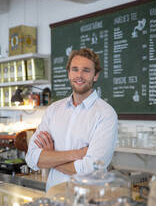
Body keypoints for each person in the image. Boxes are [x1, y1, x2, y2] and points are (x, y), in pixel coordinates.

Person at [25, 48, 118, 192]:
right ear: (69, 74)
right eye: (75, 69)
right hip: (53, 200)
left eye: (86, 70)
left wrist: (51, 157)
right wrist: (76, 154)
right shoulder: (53, 110)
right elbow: (31, 158)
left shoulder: (106, 114)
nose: (79, 75)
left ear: (95, 76)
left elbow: (91, 169)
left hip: (87, 204)